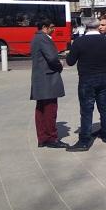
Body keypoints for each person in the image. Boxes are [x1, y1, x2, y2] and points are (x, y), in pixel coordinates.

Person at [66, 18, 106, 151]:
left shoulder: (79, 42)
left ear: (85, 27)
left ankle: (84, 140)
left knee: (86, 110)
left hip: (87, 79)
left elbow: (70, 62)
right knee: (105, 108)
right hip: (105, 78)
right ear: (97, 27)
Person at [30, 19, 68, 148]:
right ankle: (51, 138)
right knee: (50, 110)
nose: (54, 29)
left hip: (40, 79)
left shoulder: (36, 38)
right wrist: (60, 65)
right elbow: (52, 58)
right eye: (52, 27)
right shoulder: (44, 38)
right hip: (48, 79)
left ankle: (42, 137)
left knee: (40, 110)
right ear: (45, 27)